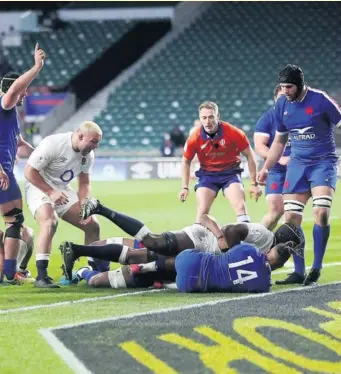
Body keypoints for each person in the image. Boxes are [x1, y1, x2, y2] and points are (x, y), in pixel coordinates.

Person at [59, 197, 303, 283]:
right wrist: (225, 246)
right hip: (202, 241)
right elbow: (232, 230)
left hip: (203, 254)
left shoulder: (266, 253)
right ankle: (101, 208)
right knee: (153, 242)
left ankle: (77, 251)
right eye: (292, 249)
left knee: (143, 257)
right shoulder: (264, 235)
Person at [257, 64, 341, 286]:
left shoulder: (320, 100)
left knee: (321, 212)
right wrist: (266, 168)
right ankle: (298, 271)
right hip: (297, 165)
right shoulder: (282, 104)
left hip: (323, 163)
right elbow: (279, 141)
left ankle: (317, 267)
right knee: (291, 220)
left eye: (289, 87)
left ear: (300, 85)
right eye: (282, 86)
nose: (285, 91)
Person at [24, 121, 102, 288]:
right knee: (49, 221)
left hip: (62, 188)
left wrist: (84, 205)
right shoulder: (53, 144)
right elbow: (29, 171)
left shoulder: (88, 155)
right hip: (38, 185)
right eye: (94, 141)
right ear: (80, 136)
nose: (96, 146)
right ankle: (42, 276)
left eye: (98, 142)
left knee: (92, 225)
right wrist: (51, 192)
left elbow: (84, 183)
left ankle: (92, 270)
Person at [0, 43, 46, 285]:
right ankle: (10, 274)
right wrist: (36, 67)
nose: (26, 94)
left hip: (4, 171)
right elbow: (15, 89)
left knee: (12, 223)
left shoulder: (10, 116)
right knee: (14, 221)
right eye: (23, 90)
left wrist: (42, 157)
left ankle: (7, 272)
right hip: (2, 173)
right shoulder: (4, 104)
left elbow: (19, 144)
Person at [254, 85, 306, 283]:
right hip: (276, 170)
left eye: (287, 96)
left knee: (292, 217)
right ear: (275, 99)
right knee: (275, 211)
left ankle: (299, 271)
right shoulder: (268, 118)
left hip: (298, 170)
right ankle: (251, 250)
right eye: (281, 97)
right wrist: (279, 159)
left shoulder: (300, 116)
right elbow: (259, 145)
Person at [179, 101, 262, 223]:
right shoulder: (194, 137)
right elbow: (186, 161)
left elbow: (250, 155)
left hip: (230, 174)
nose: (207, 121)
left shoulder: (234, 132)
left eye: (211, 117)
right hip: (207, 175)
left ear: (218, 116)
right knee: (201, 214)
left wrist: (254, 183)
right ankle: (214, 237)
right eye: (204, 117)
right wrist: (185, 187)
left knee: (240, 207)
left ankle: (243, 240)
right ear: (200, 118)